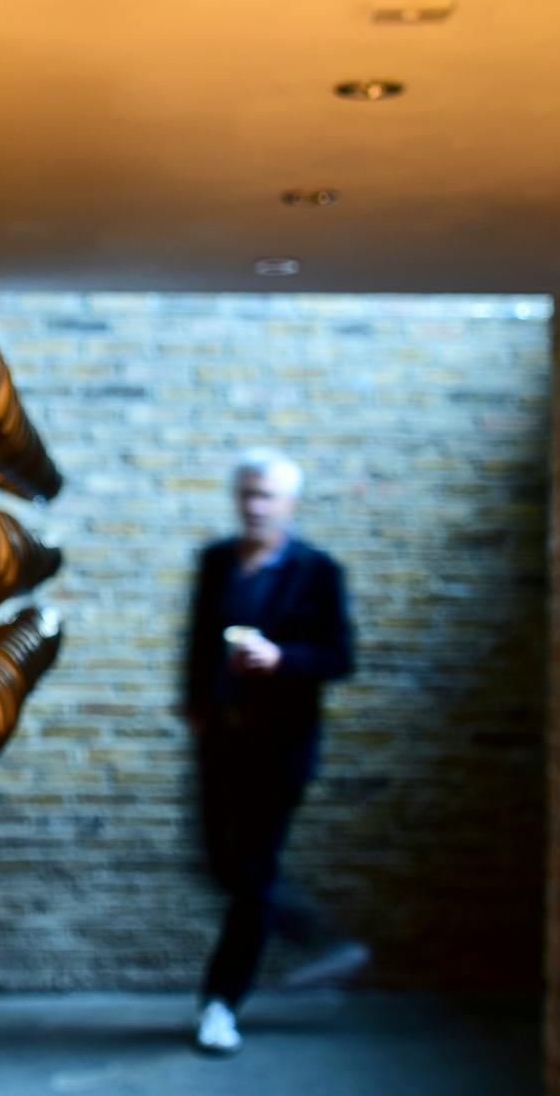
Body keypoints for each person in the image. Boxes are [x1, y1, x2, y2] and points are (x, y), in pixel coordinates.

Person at [182, 449, 365, 1055]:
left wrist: (282, 659)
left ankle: (220, 1003)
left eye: (267, 496)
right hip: (222, 742)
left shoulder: (317, 571)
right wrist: (196, 706)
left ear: (290, 504)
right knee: (218, 862)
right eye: (248, 495)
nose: (255, 506)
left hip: (279, 748)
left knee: (253, 876)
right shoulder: (215, 563)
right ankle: (322, 937)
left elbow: (339, 658)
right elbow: (198, 640)